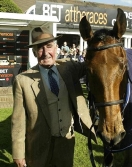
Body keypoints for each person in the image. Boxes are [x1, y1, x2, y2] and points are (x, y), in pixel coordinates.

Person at [11, 27, 96, 167]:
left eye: (49, 46)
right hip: (39, 147)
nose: (46, 53)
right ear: (34, 52)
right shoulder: (22, 81)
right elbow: (18, 122)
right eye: (40, 48)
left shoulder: (69, 69)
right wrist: (18, 153)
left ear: (56, 48)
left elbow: (94, 63)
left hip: (66, 143)